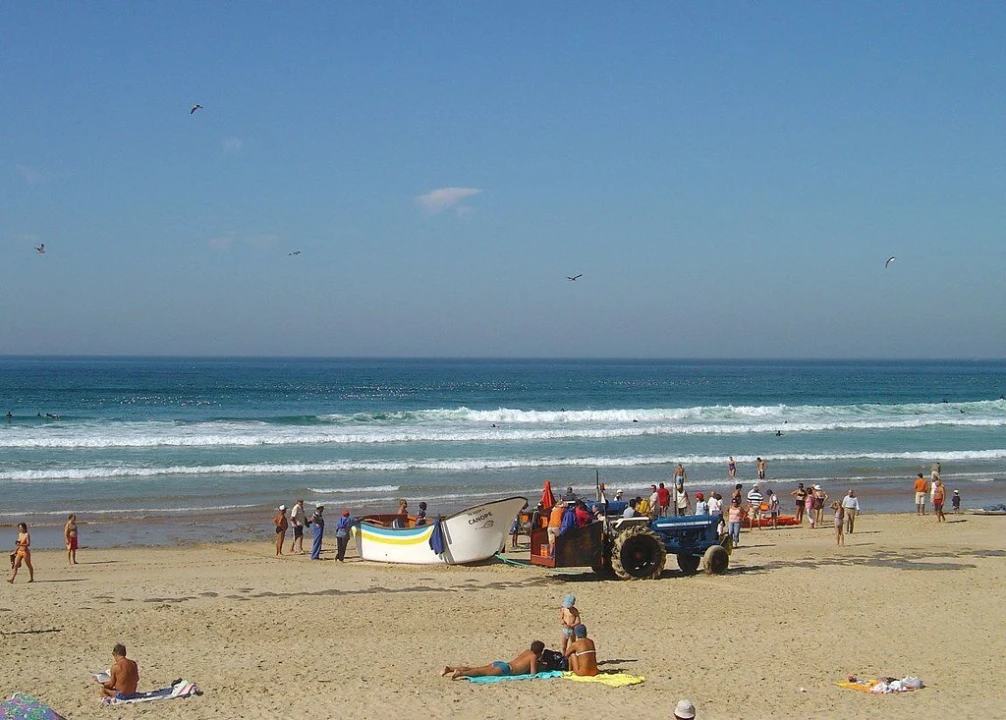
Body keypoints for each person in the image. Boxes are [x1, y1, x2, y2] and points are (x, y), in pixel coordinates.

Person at [442, 641, 545, 680]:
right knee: (480, 673)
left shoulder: (527, 651)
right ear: (540, 652)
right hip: (506, 669)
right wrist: (540, 667)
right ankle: (460, 673)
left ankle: (450, 669)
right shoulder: (534, 657)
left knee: (477, 668)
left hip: (502, 663)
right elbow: (533, 674)